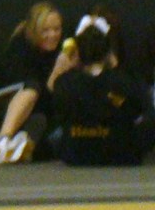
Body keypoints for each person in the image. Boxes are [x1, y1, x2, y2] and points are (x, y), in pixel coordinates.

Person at [0, 1, 71, 158]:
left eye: (57, 29)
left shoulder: (59, 52)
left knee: (39, 121)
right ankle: (3, 141)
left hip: (20, 111)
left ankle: (15, 152)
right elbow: (29, 94)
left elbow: (44, 107)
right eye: (45, 30)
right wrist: (54, 77)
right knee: (32, 88)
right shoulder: (20, 49)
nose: (53, 35)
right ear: (34, 30)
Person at [52, 14, 155, 165]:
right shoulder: (127, 81)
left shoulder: (64, 83)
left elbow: (59, 112)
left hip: (75, 154)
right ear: (108, 52)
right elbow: (144, 111)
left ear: (77, 53)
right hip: (123, 154)